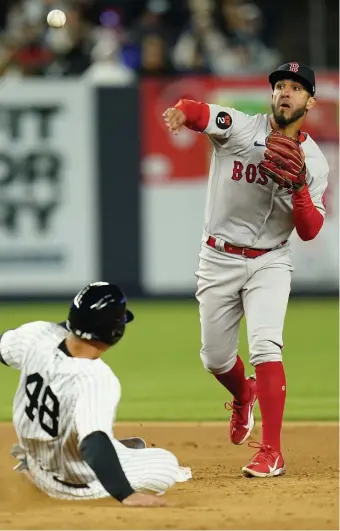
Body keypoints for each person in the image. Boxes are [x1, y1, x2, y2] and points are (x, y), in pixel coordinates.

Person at [163, 62, 328, 478]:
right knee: (215, 358)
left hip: (270, 260)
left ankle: (271, 451)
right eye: (280, 86)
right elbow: (200, 111)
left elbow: (309, 231)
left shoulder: (314, 161)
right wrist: (182, 112)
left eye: (296, 87)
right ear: (271, 95)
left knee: (265, 347)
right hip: (218, 257)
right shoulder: (239, 127)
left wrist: (300, 187)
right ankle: (243, 394)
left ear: (310, 100)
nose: (286, 92)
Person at [1, 281, 191, 505]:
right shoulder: (96, 377)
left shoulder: (38, 334)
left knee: (94, 434)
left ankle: (110, 449)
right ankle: (109, 453)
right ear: (116, 332)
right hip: (73, 486)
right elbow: (92, 442)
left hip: (34, 459)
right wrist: (126, 495)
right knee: (166, 463)